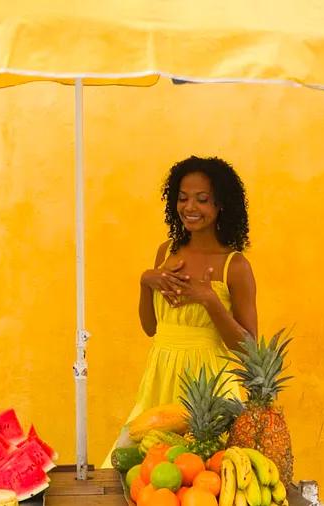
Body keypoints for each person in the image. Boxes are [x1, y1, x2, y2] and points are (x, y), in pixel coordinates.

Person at [105, 156, 257, 464]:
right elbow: (151, 328)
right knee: (141, 471)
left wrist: (210, 300)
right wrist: (145, 281)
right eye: (183, 198)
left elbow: (249, 347)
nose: (190, 207)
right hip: (160, 378)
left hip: (208, 389)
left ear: (221, 205)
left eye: (202, 199)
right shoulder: (167, 252)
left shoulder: (235, 266)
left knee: (204, 473)